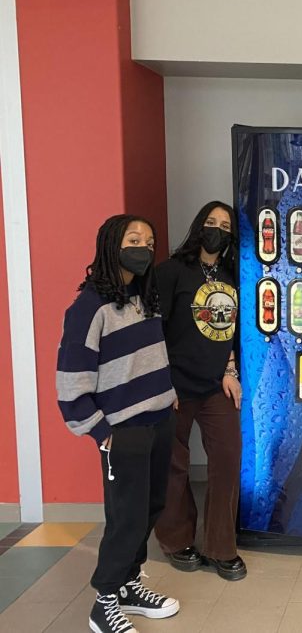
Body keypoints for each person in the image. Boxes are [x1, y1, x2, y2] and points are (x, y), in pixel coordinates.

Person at [57, 215, 179, 633]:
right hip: (123, 431)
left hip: (159, 420)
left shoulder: (144, 296)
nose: (143, 247)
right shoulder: (88, 308)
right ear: (111, 244)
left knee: (150, 509)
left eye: (149, 241)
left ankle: (128, 584)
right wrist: (99, 432)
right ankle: (103, 603)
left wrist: (168, 395)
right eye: (133, 239)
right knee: (126, 518)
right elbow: (71, 385)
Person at [153, 201, 245, 581]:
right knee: (172, 467)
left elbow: (230, 329)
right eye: (211, 222)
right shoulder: (171, 271)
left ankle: (221, 547)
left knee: (226, 460)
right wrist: (161, 382)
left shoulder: (230, 274)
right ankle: (176, 541)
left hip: (213, 385)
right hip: (173, 385)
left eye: (224, 225)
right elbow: (152, 331)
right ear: (197, 226)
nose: (217, 230)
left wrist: (228, 370)